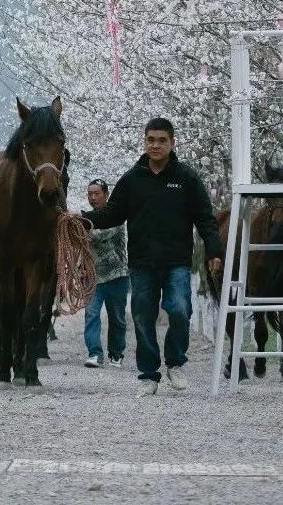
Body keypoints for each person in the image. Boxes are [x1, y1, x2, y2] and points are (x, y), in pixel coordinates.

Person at [83, 117, 223, 396]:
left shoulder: (186, 178)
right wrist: (84, 220)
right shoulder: (132, 179)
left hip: (177, 261)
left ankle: (175, 362)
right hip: (142, 262)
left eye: (161, 140)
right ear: (145, 142)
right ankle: (149, 375)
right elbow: (113, 213)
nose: (155, 145)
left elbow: (205, 219)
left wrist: (214, 250)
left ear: (172, 143)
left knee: (181, 309)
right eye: (151, 140)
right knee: (143, 317)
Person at [82, 178, 129, 369]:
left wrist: (81, 228)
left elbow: (100, 236)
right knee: (91, 314)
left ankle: (116, 353)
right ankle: (94, 353)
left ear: (106, 195)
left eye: (97, 194)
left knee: (117, 317)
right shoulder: (85, 218)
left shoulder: (116, 216)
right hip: (93, 277)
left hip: (117, 275)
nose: (93, 198)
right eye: (90, 194)